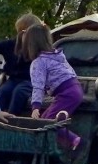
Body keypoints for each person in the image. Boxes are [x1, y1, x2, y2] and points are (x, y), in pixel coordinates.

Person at [24, 23, 83, 151]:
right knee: (45, 119)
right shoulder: (57, 55)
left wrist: (35, 107)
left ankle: (72, 139)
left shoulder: (39, 62)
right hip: (75, 89)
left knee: (47, 123)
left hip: (66, 93)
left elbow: (37, 86)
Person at [0, 13, 41, 115]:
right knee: (2, 92)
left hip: (31, 81)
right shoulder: (11, 44)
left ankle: (12, 119)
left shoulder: (39, 47)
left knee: (19, 92)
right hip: (14, 79)